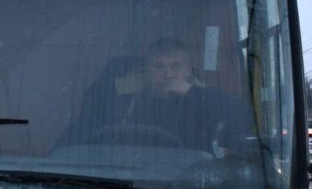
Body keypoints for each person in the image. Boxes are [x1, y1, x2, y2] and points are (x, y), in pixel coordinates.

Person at [71, 37, 251, 153]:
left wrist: (192, 93)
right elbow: (81, 135)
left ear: (189, 70)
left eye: (176, 66)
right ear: (146, 70)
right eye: (159, 66)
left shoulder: (205, 99)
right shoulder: (117, 98)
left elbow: (244, 120)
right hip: (125, 181)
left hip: (189, 186)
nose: (168, 74)